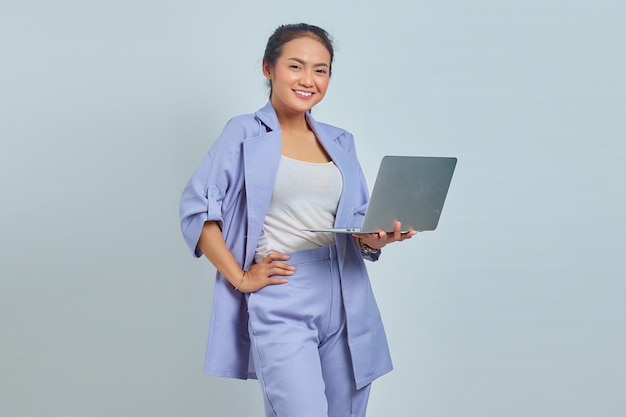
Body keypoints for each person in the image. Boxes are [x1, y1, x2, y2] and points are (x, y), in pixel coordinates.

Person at [179, 23, 416, 417]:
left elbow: (357, 225)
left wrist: (378, 238)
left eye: (320, 70)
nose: (309, 80)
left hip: (348, 293)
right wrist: (241, 277)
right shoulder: (243, 133)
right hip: (283, 290)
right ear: (268, 69)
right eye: (296, 66)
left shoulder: (341, 141)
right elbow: (199, 209)